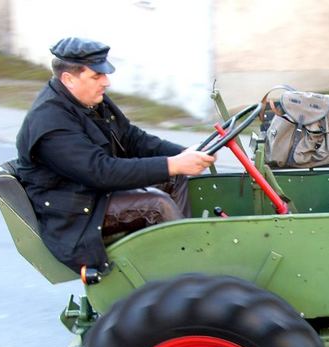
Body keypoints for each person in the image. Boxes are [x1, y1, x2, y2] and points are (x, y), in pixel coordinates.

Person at [16, 37, 215, 274]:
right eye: (97, 76)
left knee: (176, 177)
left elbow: (131, 137)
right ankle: (192, 272)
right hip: (75, 216)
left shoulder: (88, 101)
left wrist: (182, 154)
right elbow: (101, 172)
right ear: (68, 79)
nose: (106, 82)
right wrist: (172, 164)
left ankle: (171, 258)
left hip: (93, 195)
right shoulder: (51, 123)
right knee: (157, 204)